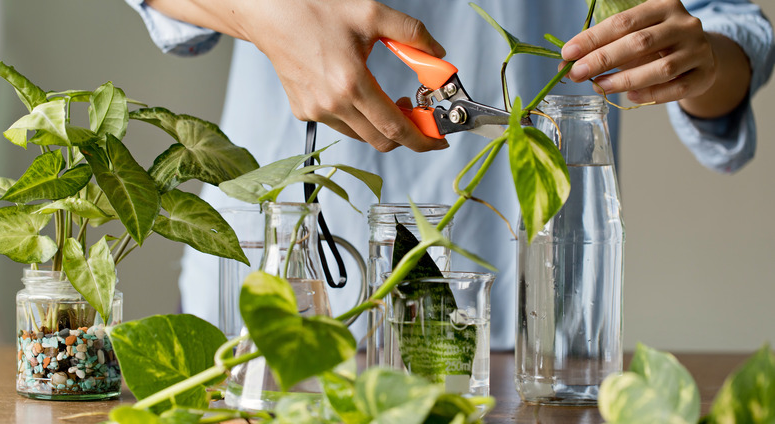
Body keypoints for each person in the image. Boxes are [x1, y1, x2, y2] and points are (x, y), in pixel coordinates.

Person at [123, 0, 773, 350]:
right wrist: (268, 12)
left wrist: (701, 60)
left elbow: (727, 28)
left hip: (525, 285)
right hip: (296, 250)